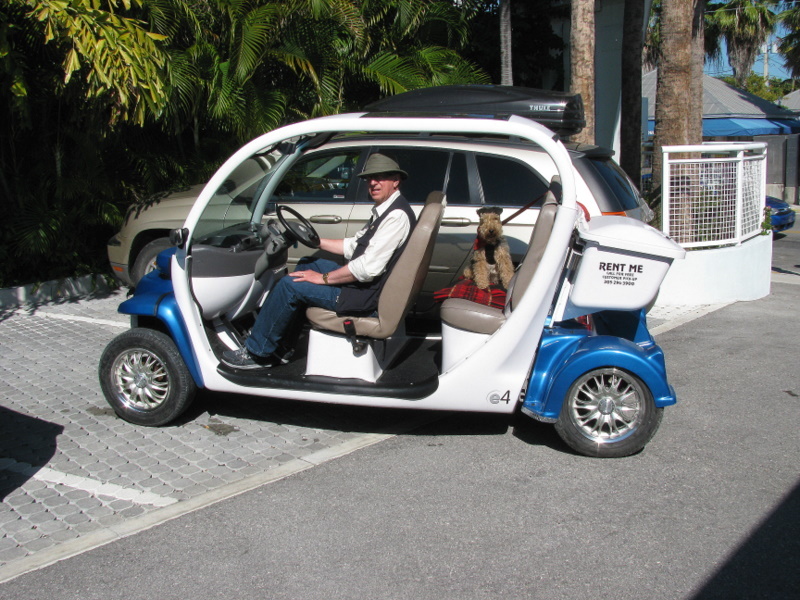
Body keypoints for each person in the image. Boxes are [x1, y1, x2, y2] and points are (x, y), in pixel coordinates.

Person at [222, 153, 416, 369]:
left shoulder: (395, 217)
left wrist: (322, 278)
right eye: (370, 178)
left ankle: (258, 352)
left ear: (396, 180)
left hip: (363, 297)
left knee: (290, 285)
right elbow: (353, 246)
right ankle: (283, 347)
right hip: (363, 288)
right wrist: (316, 242)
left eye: (381, 177)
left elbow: (366, 269)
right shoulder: (386, 210)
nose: (373, 183)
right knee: (306, 263)